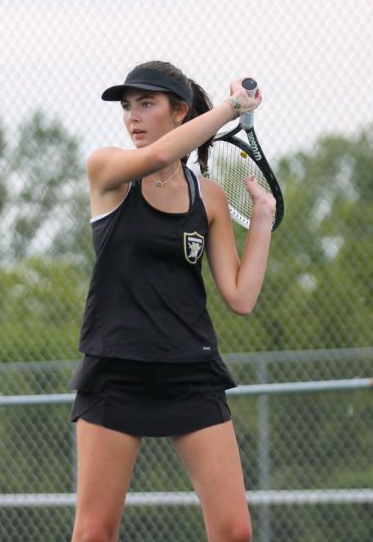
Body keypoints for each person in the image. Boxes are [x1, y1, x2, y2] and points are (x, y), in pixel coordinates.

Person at [69, 61, 274, 542]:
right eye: (126, 106)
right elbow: (158, 156)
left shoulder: (211, 198)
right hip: (117, 370)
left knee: (235, 531)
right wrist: (232, 109)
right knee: (95, 532)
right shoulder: (108, 169)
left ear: (179, 111)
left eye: (146, 104)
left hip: (190, 372)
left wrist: (261, 219)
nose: (132, 117)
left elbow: (240, 297)